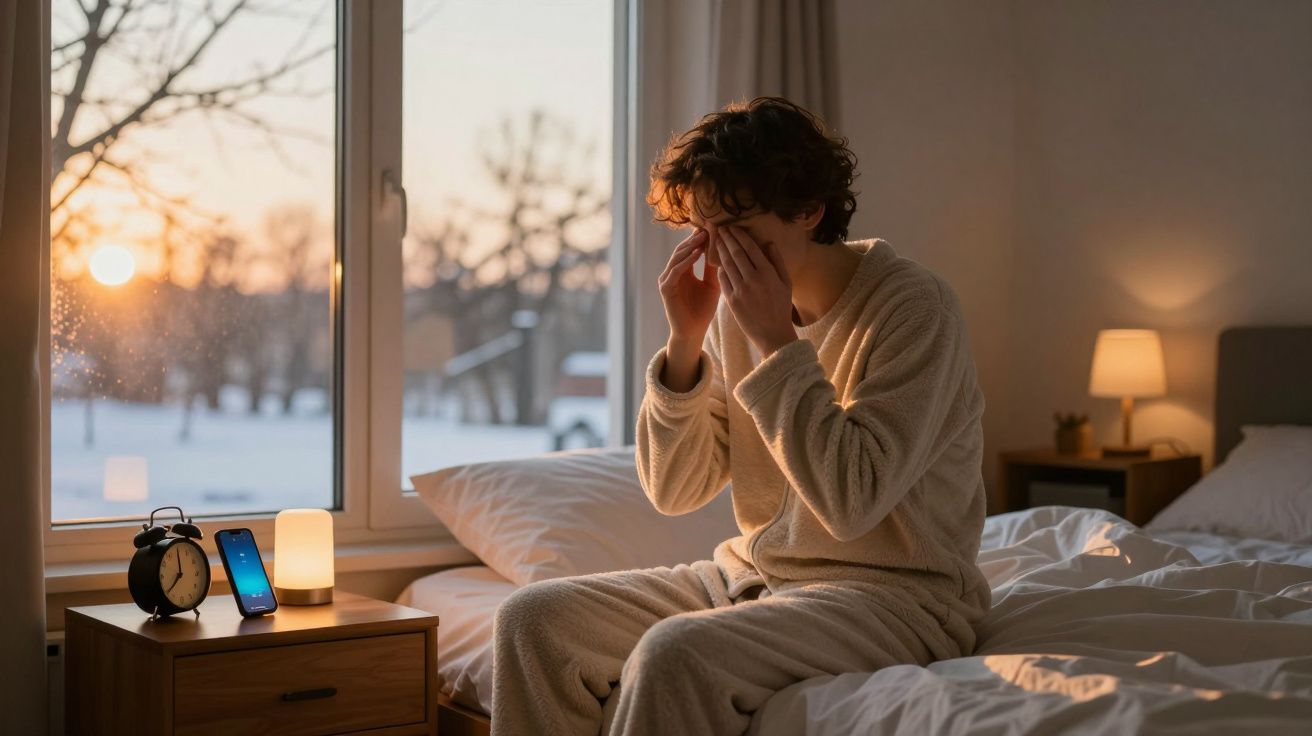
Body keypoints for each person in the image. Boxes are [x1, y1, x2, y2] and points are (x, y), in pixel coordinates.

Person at [492, 96, 991, 736]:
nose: (718, 251)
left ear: (808, 210)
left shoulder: (915, 308)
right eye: (703, 230)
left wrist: (776, 342)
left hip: (897, 598)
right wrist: (684, 342)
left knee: (676, 653)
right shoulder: (734, 313)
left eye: (737, 226)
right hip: (754, 576)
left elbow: (851, 502)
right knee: (533, 620)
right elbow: (674, 490)